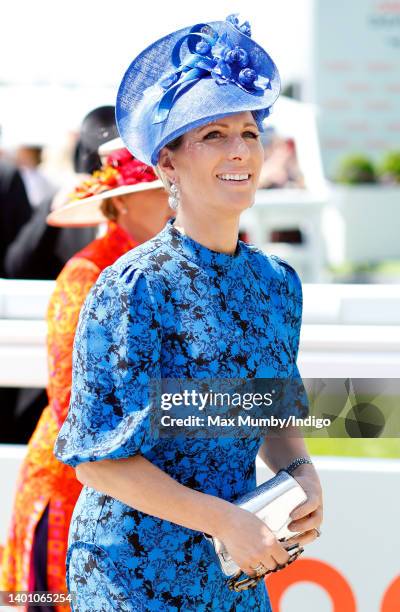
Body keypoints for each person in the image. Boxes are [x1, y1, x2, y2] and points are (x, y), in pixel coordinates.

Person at [55, 14, 323, 611]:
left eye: (250, 133)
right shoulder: (131, 288)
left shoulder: (278, 283)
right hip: (130, 576)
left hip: (237, 570)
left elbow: (271, 407)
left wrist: (301, 472)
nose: (239, 151)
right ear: (168, 164)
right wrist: (222, 520)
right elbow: (97, 462)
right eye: (214, 135)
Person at [0, 139, 170, 612]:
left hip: (133, 495)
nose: (175, 199)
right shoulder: (87, 273)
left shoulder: (161, 270)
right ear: (120, 202)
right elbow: (71, 399)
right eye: (160, 189)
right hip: (75, 494)